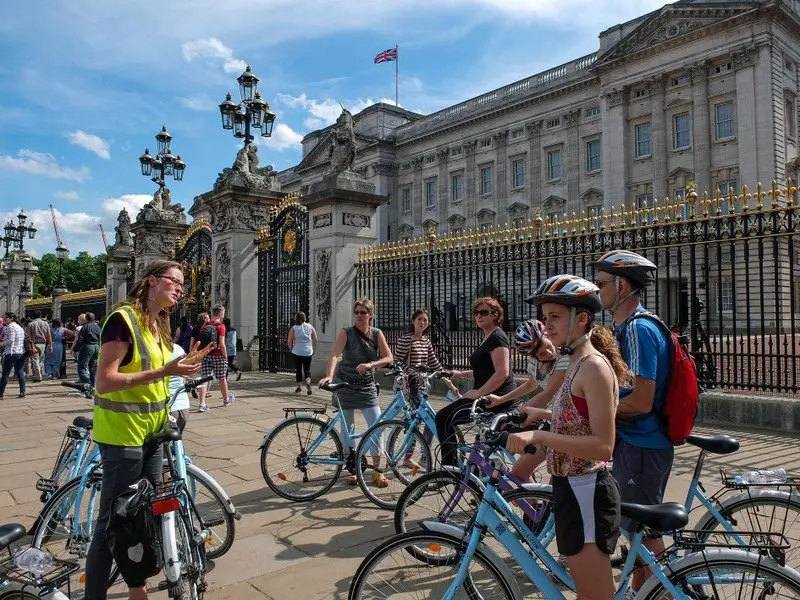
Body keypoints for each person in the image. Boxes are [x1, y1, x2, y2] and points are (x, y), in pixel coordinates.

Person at [84, 260, 211, 600]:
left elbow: (155, 378)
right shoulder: (123, 320)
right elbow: (105, 380)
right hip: (123, 434)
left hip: (154, 433)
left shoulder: (159, 324)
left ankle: (135, 585)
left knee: (143, 516)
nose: (181, 289)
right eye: (175, 281)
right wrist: (164, 372)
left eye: (183, 285)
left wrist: (178, 372)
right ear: (152, 281)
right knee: (112, 522)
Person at [506, 275, 627, 600]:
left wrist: (539, 435)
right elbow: (577, 420)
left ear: (583, 317)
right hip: (570, 488)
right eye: (545, 318)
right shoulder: (575, 363)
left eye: (555, 317)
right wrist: (539, 415)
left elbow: (603, 444)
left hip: (587, 488)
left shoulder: (594, 368)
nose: (547, 326)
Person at [591, 249, 672, 593]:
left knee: (645, 534)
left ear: (622, 286)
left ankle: (665, 588)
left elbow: (640, 400)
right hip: (637, 444)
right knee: (636, 532)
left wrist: (598, 410)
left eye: (602, 284)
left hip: (643, 444)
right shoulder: (625, 327)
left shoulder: (638, 329)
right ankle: (646, 590)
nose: (598, 292)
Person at [318, 299, 394, 487]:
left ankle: (377, 471)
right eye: (357, 312)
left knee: (377, 426)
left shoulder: (377, 334)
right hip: (345, 385)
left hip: (367, 385)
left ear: (371, 315)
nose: (359, 315)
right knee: (348, 428)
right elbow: (335, 355)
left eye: (363, 312)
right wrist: (329, 375)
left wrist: (371, 365)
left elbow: (388, 357)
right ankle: (352, 468)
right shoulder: (347, 333)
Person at [435, 296, 516, 466]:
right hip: (485, 396)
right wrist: (461, 374)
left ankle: (450, 467)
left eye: (484, 312)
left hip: (494, 400)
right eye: (476, 312)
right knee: (480, 445)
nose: (479, 316)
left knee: (443, 417)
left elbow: (502, 373)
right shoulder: (489, 336)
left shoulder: (497, 337)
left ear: (495, 315)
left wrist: (478, 392)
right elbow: (485, 370)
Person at [487, 318, 569, 481]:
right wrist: (501, 399)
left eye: (547, 345)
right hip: (553, 418)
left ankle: (540, 502)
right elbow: (531, 384)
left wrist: (517, 413)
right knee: (522, 473)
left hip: (565, 420)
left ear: (546, 335)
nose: (548, 352)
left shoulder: (563, 357)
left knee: (525, 474)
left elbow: (549, 393)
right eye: (541, 354)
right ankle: (538, 504)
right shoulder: (534, 361)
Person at [393, 309, 457, 466]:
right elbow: (397, 362)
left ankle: (419, 455)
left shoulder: (426, 341)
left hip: (423, 386)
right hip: (410, 386)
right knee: (424, 420)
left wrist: (449, 382)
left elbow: (434, 364)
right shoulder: (405, 340)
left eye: (425, 320)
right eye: (420, 319)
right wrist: (413, 373)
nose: (423, 322)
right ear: (413, 321)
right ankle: (414, 456)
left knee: (425, 419)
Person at [197, 305, 231, 411]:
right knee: (222, 378)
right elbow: (221, 344)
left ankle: (202, 404)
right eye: (223, 313)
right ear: (221, 314)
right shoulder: (221, 326)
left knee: (204, 379)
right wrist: (225, 357)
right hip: (218, 356)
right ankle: (226, 400)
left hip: (206, 355)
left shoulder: (205, 325)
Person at [287, 312, 317, 394]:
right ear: (305, 318)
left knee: (298, 369)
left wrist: (291, 348)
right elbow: (315, 338)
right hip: (308, 351)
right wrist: (313, 348)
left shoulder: (294, 328)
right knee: (307, 369)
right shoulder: (310, 326)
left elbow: (289, 341)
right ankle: (308, 383)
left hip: (297, 351)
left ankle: (299, 387)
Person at [0, 313, 26, 399]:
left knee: (5, 374)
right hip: (20, 353)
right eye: (4, 318)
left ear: (11, 318)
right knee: (20, 373)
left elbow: (10, 341)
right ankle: (22, 392)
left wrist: (1, 344)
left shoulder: (9, 327)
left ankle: (1, 394)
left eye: (6, 318)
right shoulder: (20, 327)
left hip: (11, 353)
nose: (4, 319)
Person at [168, 344, 191, 434]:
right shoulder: (179, 349)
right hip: (183, 404)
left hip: (167, 405)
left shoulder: (156, 349)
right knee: (178, 439)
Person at [25, 309, 52, 382]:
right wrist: (50, 345)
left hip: (34, 344)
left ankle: (37, 376)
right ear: (40, 316)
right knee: (40, 360)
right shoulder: (46, 323)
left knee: (35, 360)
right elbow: (49, 335)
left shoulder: (30, 324)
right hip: (43, 344)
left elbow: (28, 337)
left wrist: (30, 346)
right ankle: (39, 373)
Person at [75, 313, 101, 388]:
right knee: (93, 367)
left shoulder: (85, 327)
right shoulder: (97, 327)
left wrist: (76, 348)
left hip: (87, 346)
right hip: (96, 346)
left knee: (82, 366)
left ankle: (86, 385)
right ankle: (93, 385)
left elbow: (80, 339)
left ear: (86, 318)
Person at [223, 317, 242, 382]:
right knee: (229, 363)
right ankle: (236, 372)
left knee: (225, 364)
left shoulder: (225, 330)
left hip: (227, 349)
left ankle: (227, 377)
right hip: (233, 349)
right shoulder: (234, 330)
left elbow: (223, 340)